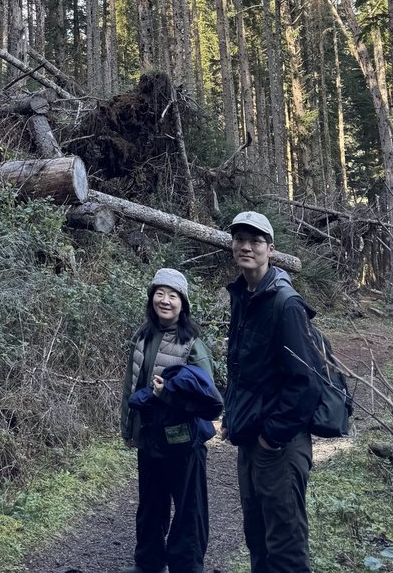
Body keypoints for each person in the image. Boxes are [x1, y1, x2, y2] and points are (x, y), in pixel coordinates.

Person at [223, 210, 323, 573]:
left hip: (279, 443)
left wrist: (272, 437)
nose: (246, 246)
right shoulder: (244, 295)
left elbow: (306, 382)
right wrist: (233, 416)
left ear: (270, 248)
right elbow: (242, 369)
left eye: (255, 241)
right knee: (257, 536)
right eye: (239, 239)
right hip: (250, 436)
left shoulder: (285, 302)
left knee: (285, 543)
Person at [119, 268, 222, 573]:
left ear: (183, 303)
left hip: (184, 441)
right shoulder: (143, 336)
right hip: (150, 436)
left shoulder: (192, 344)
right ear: (151, 298)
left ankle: (186, 567)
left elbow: (210, 402)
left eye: (172, 296)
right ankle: (149, 564)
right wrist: (128, 428)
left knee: (189, 510)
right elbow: (131, 386)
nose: (165, 301)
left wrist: (168, 394)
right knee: (151, 504)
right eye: (159, 294)